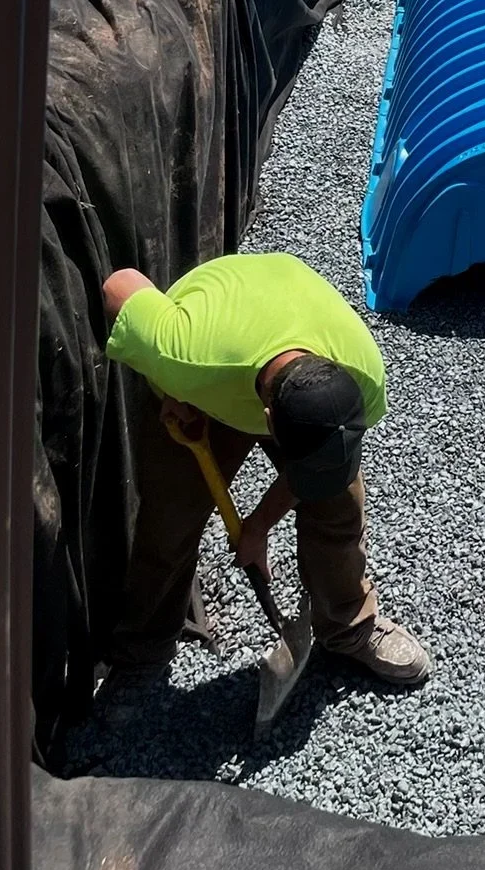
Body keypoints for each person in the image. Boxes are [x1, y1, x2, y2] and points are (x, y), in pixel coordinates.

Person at [100, 250, 430, 692]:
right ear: (268, 422)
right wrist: (166, 388)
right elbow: (119, 283)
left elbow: (312, 470)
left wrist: (256, 527)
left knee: (340, 505)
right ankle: (143, 650)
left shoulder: (363, 374)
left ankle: (349, 625)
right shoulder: (184, 352)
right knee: (169, 522)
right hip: (208, 376)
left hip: (276, 326)